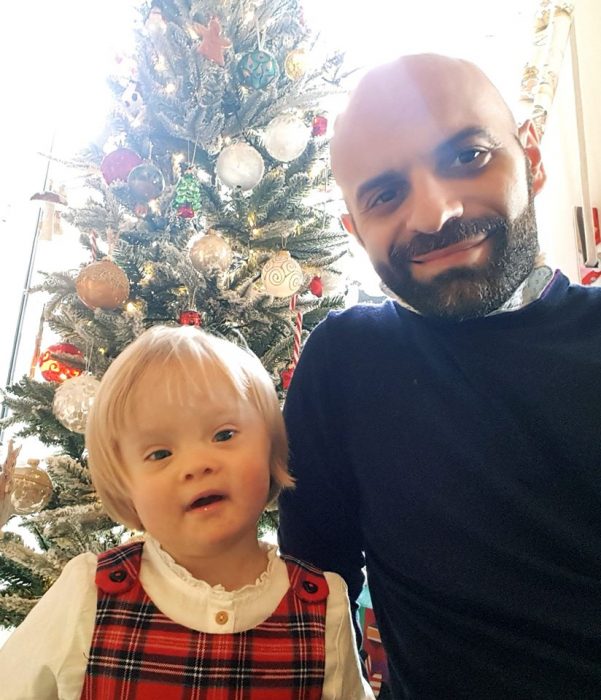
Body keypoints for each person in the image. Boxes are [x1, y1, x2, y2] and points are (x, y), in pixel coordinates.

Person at [278, 53, 601, 699]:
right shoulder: (343, 363)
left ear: (530, 156)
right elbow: (309, 601)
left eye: (467, 157)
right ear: (353, 229)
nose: (434, 213)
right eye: (383, 194)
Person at [0, 325, 374, 699]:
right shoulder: (88, 592)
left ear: (271, 448)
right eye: (160, 454)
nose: (197, 464)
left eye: (224, 435)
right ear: (124, 485)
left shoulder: (324, 605)